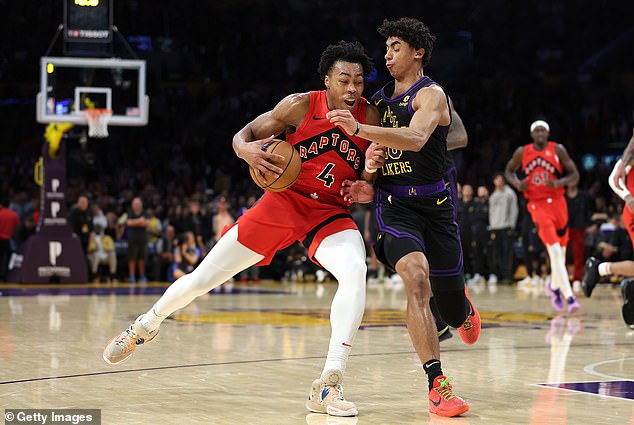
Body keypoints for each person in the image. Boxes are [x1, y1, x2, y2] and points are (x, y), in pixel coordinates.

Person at [103, 40, 384, 418]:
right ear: (327, 80)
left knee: (355, 271)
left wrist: (368, 185)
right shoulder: (300, 105)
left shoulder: (372, 118)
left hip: (329, 212)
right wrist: (246, 150)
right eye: (344, 80)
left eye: (359, 82)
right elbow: (245, 133)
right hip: (284, 203)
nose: (352, 89)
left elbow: (371, 175)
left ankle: (328, 384)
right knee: (203, 277)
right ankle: (144, 325)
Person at [331, 17, 480, 417]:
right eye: (387, 48)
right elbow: (373, 160)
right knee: (416, 279)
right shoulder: (379, 102)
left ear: (418, 53)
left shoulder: (430, 95)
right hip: (395, 207)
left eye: (395, 47)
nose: (388, 54)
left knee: (450, 309)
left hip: (437, 207)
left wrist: (362, 131)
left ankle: (460, 308)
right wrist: (367, 176)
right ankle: (437, 386)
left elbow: (415, 139)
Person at [504, 120, 581, 313]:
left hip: (558, 203)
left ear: (548, 133)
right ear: (531, 134)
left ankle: (554, 288)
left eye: (543, 130)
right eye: (536, 130)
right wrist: (516, 183)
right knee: (554, 251)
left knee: (561, 254)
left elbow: (575, 175)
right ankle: (569, 296)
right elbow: (508, 171)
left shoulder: (558, 150)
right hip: (536, 205)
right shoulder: (523, 151)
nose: (540, 133)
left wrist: (559, 182)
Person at [582, 123, 634, 328]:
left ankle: (610, 275)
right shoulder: (630, 154)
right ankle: (601, 269)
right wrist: (628, 196)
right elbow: (614, 178)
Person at [488, 172, 518, 284]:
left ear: (503, 181)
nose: (498, 182)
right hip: (495, 227)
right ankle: (499, 275)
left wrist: (512, 225)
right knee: (497, 253)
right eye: (496, 179)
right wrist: (492, 225)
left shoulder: (510, 193)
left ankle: (508, 276)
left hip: (506, 227)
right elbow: (491, 213)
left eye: (500, 179)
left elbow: (514, 210)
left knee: (508, 253)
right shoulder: (493, 196)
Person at [126, 197, 149, 283]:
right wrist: (140, 220)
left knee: (142, 258)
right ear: (132, 205)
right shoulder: (130, 212)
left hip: (142, 239)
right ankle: (132, 276)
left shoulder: (145, 212)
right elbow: (128, 223)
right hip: (132, 239)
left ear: (141, 205)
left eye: (138, 204)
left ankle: (142, 276)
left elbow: (147, 223)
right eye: (135, 204)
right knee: (132, 258)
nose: (137, 205)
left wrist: (135, 222)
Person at [0, 197, 19, 282]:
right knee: (9, 259)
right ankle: (7, 276)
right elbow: (17, 226)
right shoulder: (14, 214)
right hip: (10, 240)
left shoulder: (0, 213)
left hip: (0, 239)